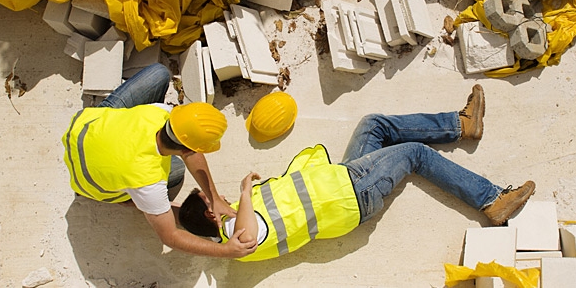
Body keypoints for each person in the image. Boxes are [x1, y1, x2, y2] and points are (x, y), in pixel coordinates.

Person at [178, 84, 536, 261]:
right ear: (211, 213)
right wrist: (242, 192)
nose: (217, 194)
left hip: (342, 180)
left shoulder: (229, 224)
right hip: (353, 194)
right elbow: (248, 235)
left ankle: (461, 124)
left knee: (373, 125)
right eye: (210, 197)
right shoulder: (236, 238)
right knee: (414, 154)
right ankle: (491, 200)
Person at [62, 62, 257, 258]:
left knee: (159, 73)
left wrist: (213, 198)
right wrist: (225, 250)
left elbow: (190, 148)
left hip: (85, 128)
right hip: (87, 181)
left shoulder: (158, 112)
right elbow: (170, 236)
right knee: (177, 171)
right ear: (185, 148)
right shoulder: (148, 180)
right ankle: (126, 199)